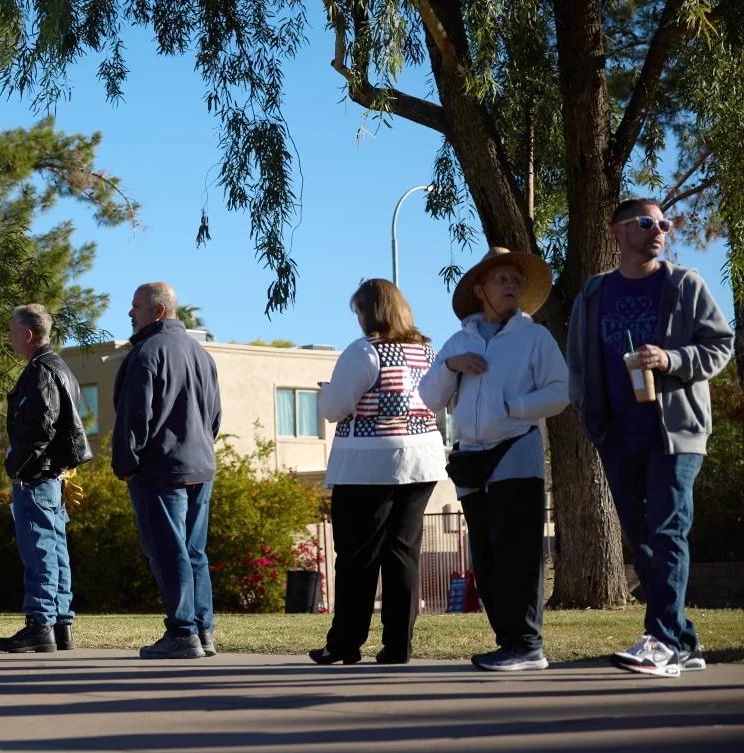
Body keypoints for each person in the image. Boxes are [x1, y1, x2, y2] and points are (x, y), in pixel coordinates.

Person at [567, 198, 735, 678]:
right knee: (641, 537)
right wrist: (592, 420)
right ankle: (683, 639)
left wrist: (672, 361)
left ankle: (661, 641)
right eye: (646, 223)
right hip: (617, 434)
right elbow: (579, 362)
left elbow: (720, 343)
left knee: (666, 530)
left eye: (664, 223)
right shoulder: (595, 293)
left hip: (675, 432)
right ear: (618, 232)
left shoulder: (684, 284)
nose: (658, 230)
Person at [420, 247, 569, 672]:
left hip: (517, 448)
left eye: (516, 281)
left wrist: (513, 406)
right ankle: (509, 644)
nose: (510, 287)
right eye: (501, 280)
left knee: (518, 549)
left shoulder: (534, 336)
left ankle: (527, 643)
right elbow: (429, 398)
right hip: (470, 457)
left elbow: (560, 392)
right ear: (480, 289)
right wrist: (450, 365)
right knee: (485, 554)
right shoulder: (457, 340)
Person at [310, 280, 445, 666]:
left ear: (369, 312)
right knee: (403, 553)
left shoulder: (364, 351)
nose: (357, 319)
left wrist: (325, 392)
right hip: (423, 460)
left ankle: (345, 643)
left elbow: (335, 408)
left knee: (357, 556)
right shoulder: (427, 352)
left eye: (358, 311)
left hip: (368, 465)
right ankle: (398, 644)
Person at [114, 282, 223, 659]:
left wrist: (126, 465)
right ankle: (202, 630)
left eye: (136, 306)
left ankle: (181, 632)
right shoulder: (201, 354)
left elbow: (133, 418)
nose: (130, 313)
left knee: (168, 551)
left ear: (158, 311)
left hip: (161, 469)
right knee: (194, 551)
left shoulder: (146, 353)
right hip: (200, 466)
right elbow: (214, 417)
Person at [0, 304, 92, 654]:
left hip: (37, 474)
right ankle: (60, 624)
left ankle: (40, 623)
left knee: (39, 550)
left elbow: (40, 426)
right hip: (52, 473)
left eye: (12, 331)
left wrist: (19, 467)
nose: (9, 337)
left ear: (28, 335)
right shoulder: (59, 367)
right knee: (54, 548)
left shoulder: (40, 371)